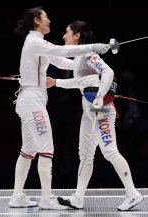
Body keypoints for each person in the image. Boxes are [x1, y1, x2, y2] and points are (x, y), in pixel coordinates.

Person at [8, 6, 110, 210]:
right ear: (37, 20)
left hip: (30, 100)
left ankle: (17, 196)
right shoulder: (35, 42)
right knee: (46, 149)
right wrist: (92, 47)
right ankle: (46, 198)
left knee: (28, 150)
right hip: (32, 102)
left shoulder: (38, 44)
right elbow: (61, 50)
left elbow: (63, 62)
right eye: (46, 18)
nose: (49, 21)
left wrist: (90, 61)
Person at [46, 20, 143, 211]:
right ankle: (78, 198)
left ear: (76, 36)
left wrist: (99, 98)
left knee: (110, 152)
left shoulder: (89, 54)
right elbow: (76, 77)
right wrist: (44, 57)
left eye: (67, 32)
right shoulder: (79, 57)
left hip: (101, 110)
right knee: (85, 154)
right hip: (89, 110)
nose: (64, 36)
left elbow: (108, 72)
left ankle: (133, 194)